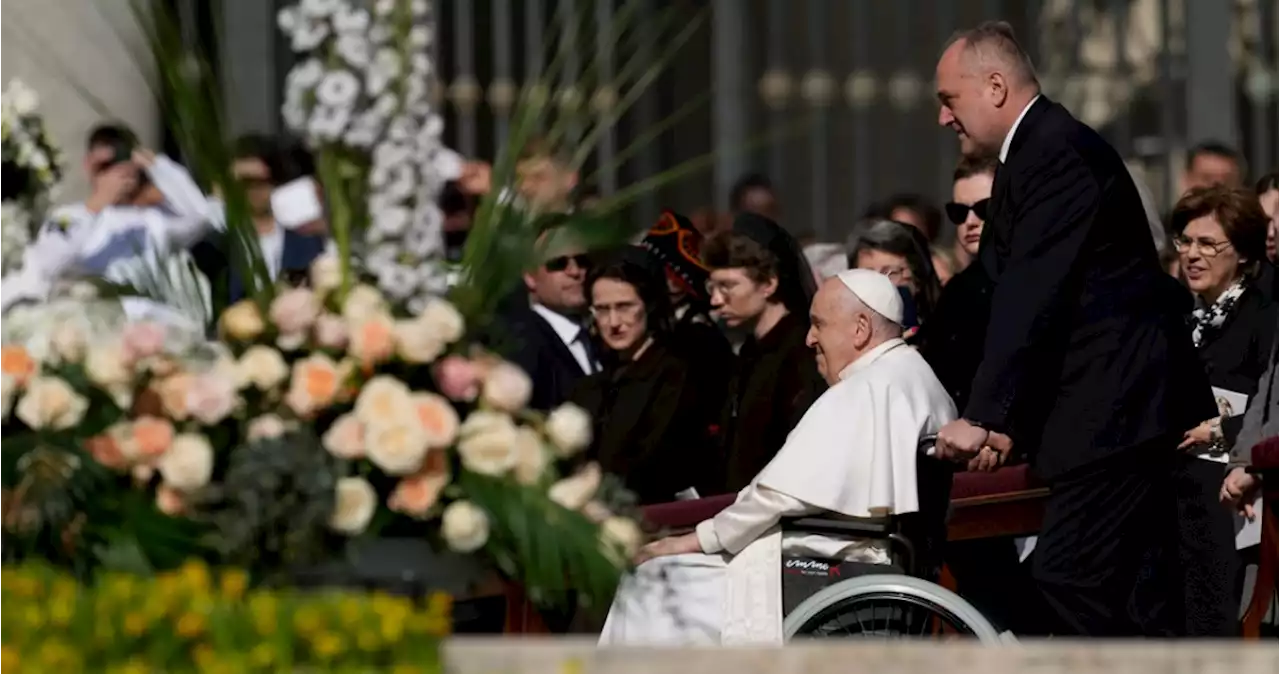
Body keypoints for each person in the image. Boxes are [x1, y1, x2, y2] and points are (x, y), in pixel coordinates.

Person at [932, 22, 1215, 637]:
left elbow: (1033, 294)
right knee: (1134, 599)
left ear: (996, 86)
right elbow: (1016, 296)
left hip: (1116, 409)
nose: (943, 118)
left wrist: (987, 417)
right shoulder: (1031, 156)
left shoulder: (1055, 153)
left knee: (1070, 581)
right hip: (1104, 411)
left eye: (949, 99)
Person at [598, 270, 956, 645]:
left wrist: (695, 539)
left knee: (651, 582)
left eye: (819, 324)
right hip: (860, 561)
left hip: (821, 571)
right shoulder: (915, 377)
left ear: (861, 328)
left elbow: (777, 496)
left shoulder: (865, 389)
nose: (809, 338)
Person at [1169, 185, 1276, 637]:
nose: (1192, 254)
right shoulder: (1184, 318)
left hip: (1232, 500)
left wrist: (1223, 431)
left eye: (1208, 243)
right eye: (1185, 241)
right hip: (1180, 496)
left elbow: (1271, 406)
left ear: (1245, 254)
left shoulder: (1265, 317)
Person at [2, 123, 215, 319]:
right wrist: (97, 204)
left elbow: (199, 216)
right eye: (104, 166)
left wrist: (157, 165)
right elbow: (47, 264)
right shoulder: (69, 216)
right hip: (89, 324)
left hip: (144, 324)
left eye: (120, 163)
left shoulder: (149, 222)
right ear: (88, 166)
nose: (114, 173)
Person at [570, 247, 728, 504]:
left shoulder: (677, 374)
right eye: (601, 309)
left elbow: (651, 465)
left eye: (624, 307)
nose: (613, 322)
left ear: (649, 305)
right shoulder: (594, 384)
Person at [701, 213, 826, 494]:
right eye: (712, 287)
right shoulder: (751, 351)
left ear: (769, 283)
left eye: (728, 286)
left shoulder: (802, 353)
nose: (715, 300)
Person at [846, 218, 943, 340]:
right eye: (867, 275)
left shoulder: (940, 337)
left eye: (890, 273)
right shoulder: (845, 339)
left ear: (916, 279)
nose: (878, 285)